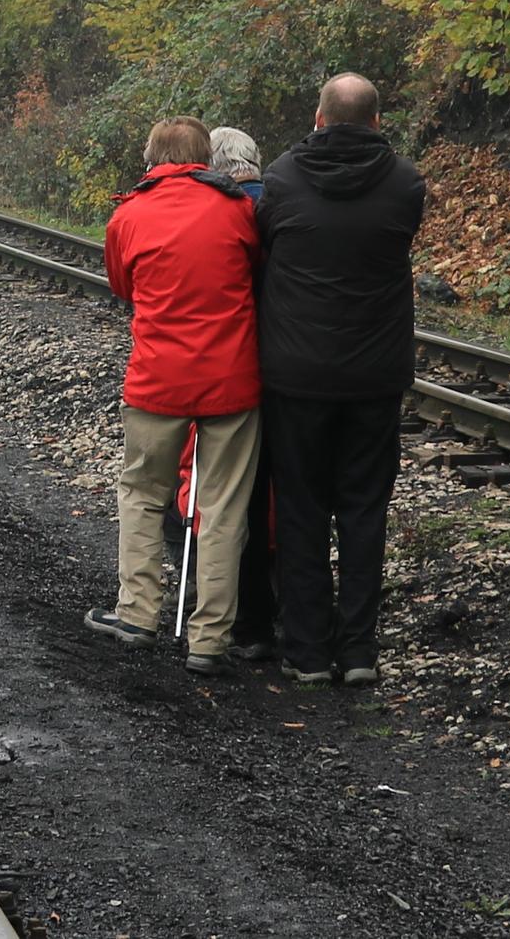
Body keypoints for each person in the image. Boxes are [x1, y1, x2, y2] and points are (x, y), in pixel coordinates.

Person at [254, 73, 426, 687]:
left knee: (300, 509)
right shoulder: (406, 183)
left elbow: (265, 244)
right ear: (378, 121)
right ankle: (358, 651)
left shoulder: (279, 179)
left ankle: (306, 651)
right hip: (373, 378)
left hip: (295, 374)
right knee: (362, 510)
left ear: (318, 118)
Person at [85, 117, 263, 675]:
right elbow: (256, 271)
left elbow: (122, 286)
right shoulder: (237, 210)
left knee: (141, 491)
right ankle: (210, 639)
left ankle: (137, 614)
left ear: (152, 157)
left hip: (157, 380)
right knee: (223, 505)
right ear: (204, 157)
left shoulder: (128, 214)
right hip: (232, 379)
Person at [205, 123, 279, 663]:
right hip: (288, 365)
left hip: (233, 369)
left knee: (234, 494)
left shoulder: (222, 211)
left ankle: (241, 618)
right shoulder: (279, 202)